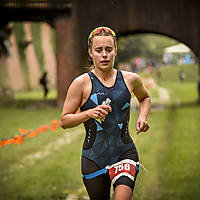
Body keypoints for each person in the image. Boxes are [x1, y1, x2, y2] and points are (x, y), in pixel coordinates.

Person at [60, 27, 151, 200]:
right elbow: (64, 121)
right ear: (90, 53)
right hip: (93, 158)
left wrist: (142, 117)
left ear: (115, 51)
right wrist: (89, 113)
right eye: (99, 50)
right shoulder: (81, 83)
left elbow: (145, 98)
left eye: (108, 50)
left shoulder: (130, 79)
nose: (104, 55)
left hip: (125, 154)